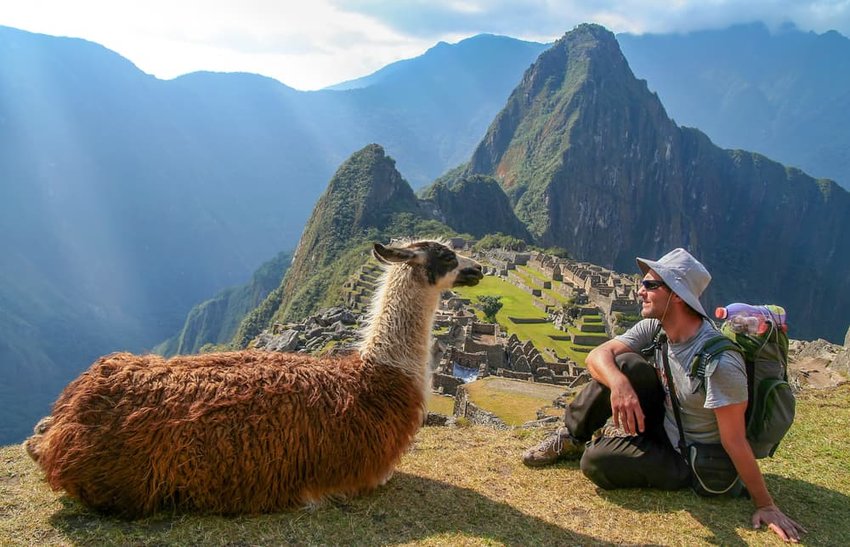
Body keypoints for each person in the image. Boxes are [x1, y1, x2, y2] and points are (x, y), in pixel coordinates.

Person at [522, 248, 805, 543]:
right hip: (666, 422)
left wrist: (765, 505)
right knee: (623, 365)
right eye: (642, 283)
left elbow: (734, 440)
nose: (640, 291)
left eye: (650, 285)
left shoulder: (720, 364)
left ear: (678, 295)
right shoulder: (656, 327)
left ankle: (608, 447)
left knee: (596, 462)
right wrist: (620, 385)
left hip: (689, 458)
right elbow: (597, 355)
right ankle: (570, 438)